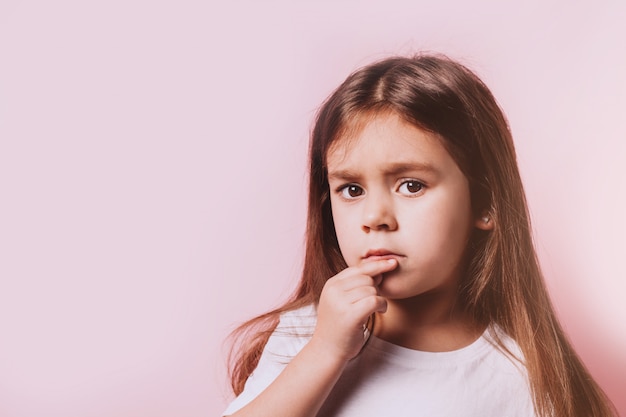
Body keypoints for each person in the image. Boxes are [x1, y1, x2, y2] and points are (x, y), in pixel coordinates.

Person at [222, 54, 616, 416]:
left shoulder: (521, 380)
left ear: (485, 204)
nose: (375, 217)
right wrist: (325, 351)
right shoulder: (308, 331)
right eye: (352, 190)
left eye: (411, 185)